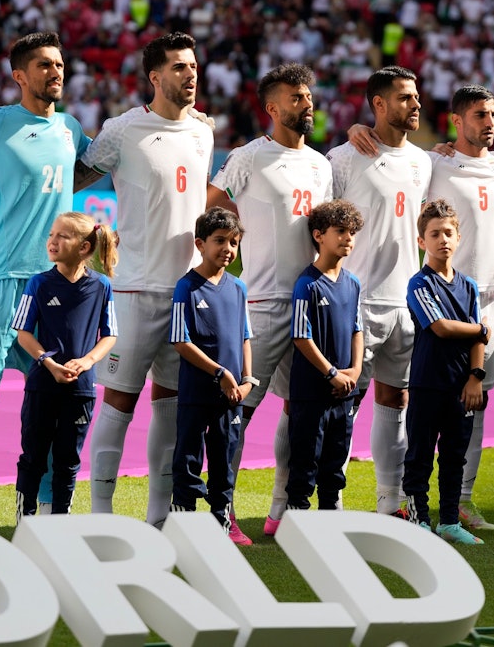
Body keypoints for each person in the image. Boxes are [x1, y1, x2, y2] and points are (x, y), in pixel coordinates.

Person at [0, 32, 92, 522]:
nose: (56, 72)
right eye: (45, 65)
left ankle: (44, 507)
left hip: (52, 287)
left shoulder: (72, 128)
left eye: (59, 63)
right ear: (19, 76)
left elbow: (91, 167)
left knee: (52, 401)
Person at [79, 32, 215, 527]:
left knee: (172, 406)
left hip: (186, 292)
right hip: (134, 290)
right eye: (179, 67)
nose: (190, 74)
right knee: (118, 401)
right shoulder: (122, 129)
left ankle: (159, 519)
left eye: (193, 66)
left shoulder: (204, 132)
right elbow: (74, 176)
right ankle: (100, 515)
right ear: (155, 77)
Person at [207, 62, 332, 542]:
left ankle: (283, 510)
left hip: (311, 302)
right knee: (240, 407)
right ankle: (223, 510)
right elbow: (210, 206)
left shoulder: (321, 165)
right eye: (296, 98)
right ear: (272, 107)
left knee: (299, 409)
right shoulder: (250, 158)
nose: (306, 105)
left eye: (308, 96)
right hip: (261, 301)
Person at [326, 66, 432, 516]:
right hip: (358, 300)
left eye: (417, 97)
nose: (417, 105)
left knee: (397, 399)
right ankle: (329, 499)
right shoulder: (344, 157)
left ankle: (391, 500)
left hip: (406, 303)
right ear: (379, 104)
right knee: (343, 401)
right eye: (406, 98)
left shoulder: (424, 161)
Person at [426, 84, 494, 531]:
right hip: (442, 297)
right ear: (457, 121)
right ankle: (406, 497)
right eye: (480, 115)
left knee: (476, 399)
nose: (490, 122)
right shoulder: (434, 163)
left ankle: (463, 500)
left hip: (487, 298)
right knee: (424, 399)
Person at [11, 212, 118, 520]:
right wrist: (48, 362)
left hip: (81, 390)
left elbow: (110, 335)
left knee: (68, 459)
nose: (52, 241)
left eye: (62, 236)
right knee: (33, 456)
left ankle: (60, 523)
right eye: (51, 234)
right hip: (42, 385)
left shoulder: (102, 287)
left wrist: (87, 362)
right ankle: (25, 522)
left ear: (84, 248)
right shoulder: (39, 284)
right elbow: (22, 332)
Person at [404, 200, 487, 543]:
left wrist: (476, 377)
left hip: (462, 386)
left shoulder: (468, 286)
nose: (443, 239)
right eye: (434, 234)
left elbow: (476, 340)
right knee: (421, 455)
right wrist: (479, 328)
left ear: (459, 237)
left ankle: (450, 521)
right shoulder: (419, 283)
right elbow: (438, 327)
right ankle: (418, 518)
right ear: (422, 240)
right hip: (427, 384)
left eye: (448, 233)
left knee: (455, 457)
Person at [169, 208, 252, 533]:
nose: (228, 249)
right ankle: (183, 519)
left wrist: (247, 379)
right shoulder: (187, 287)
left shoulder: (238, 287)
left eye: (234, 242)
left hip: (231, 396)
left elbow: (245, 336)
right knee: (189, 458)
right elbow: (179, 339)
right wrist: (219, 372)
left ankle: (220, 520)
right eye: (220, 241)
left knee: (224, 459)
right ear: (200, 244)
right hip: (196, 392)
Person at [285, 200, 364, 518]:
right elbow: (300, 336)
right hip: (312, 392)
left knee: (335, 466)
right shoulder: (307, 284)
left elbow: (358, 329)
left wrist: (355, 371)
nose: (348, 238)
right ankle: (296, 520)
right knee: (305, 462)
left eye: (352, 232)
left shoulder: (354, 283)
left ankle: (330, 521)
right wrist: (332, 373)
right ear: (318, 235)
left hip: (345, 393)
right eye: (340, 231)